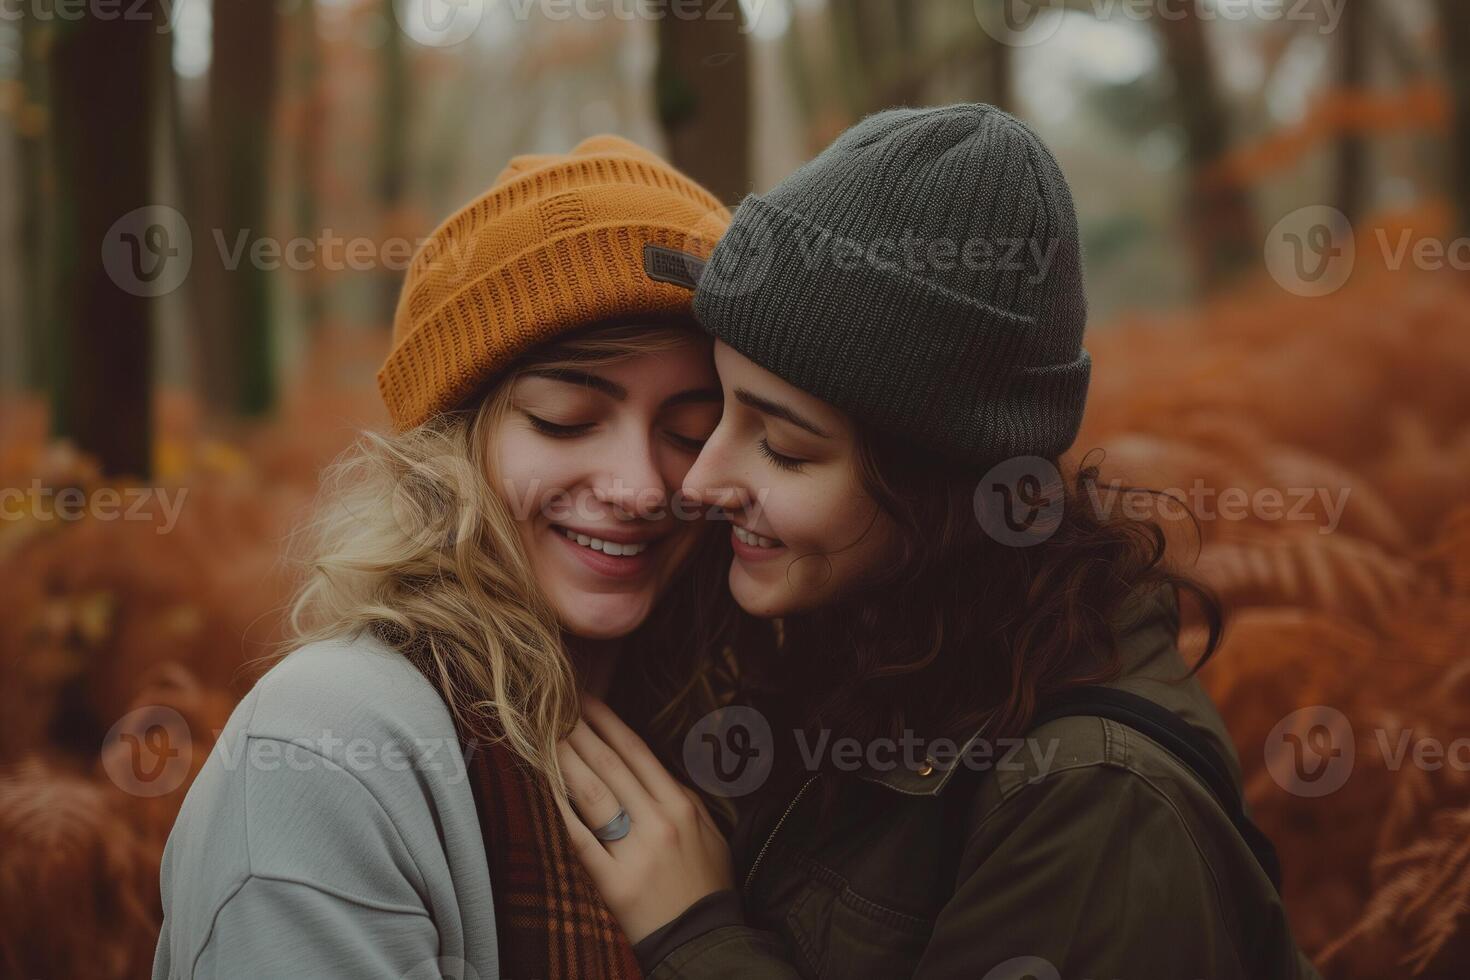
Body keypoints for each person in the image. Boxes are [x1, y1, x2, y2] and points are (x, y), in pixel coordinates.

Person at [557, 105, 1323, 978]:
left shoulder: (1095, 805)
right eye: (718, 410)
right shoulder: (876, 646)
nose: (699, 484)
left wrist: (696, 937)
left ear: (938, 490)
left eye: (786, 446)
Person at [151, 135, 750, 980]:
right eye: (566, 418)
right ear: (450, 447)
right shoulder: (325, 751)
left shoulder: (730, 717)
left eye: (690, 432)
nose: (640, 487)